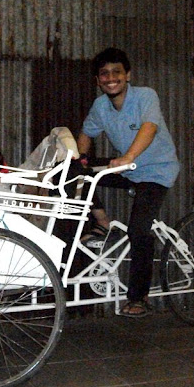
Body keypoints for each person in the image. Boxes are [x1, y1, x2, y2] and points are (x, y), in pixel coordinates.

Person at [77, 48, 180, 317]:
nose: (111, 78)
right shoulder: (100, 106)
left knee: (138, 230)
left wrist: (128, 156)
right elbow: (86, 133)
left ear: (128, 75)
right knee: (78, 176)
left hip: (156, 172)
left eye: (117, 72)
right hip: (129, 169)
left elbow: (149, 127)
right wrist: (81, 159)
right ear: (98, 80)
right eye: (104, 74)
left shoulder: (145, 96)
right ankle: (101, 223)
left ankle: (139, 298)